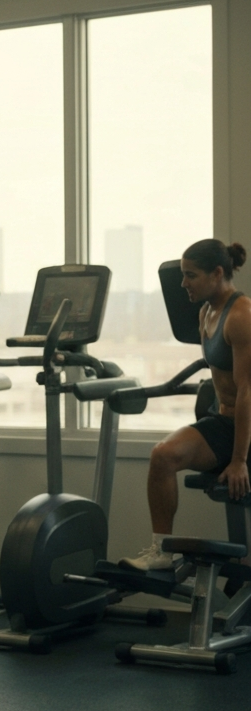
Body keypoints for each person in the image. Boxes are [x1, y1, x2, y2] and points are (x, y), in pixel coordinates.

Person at [123, 239, 251, 570]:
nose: (183, 284)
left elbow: (246, 391)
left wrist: (239, 460)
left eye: (190, 275)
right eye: (183, 275)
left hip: (245, 427)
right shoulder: (206, 313)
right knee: (162, 456)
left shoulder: (242, 316)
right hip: (223, 421)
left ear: (217, 273)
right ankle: (161, 551)